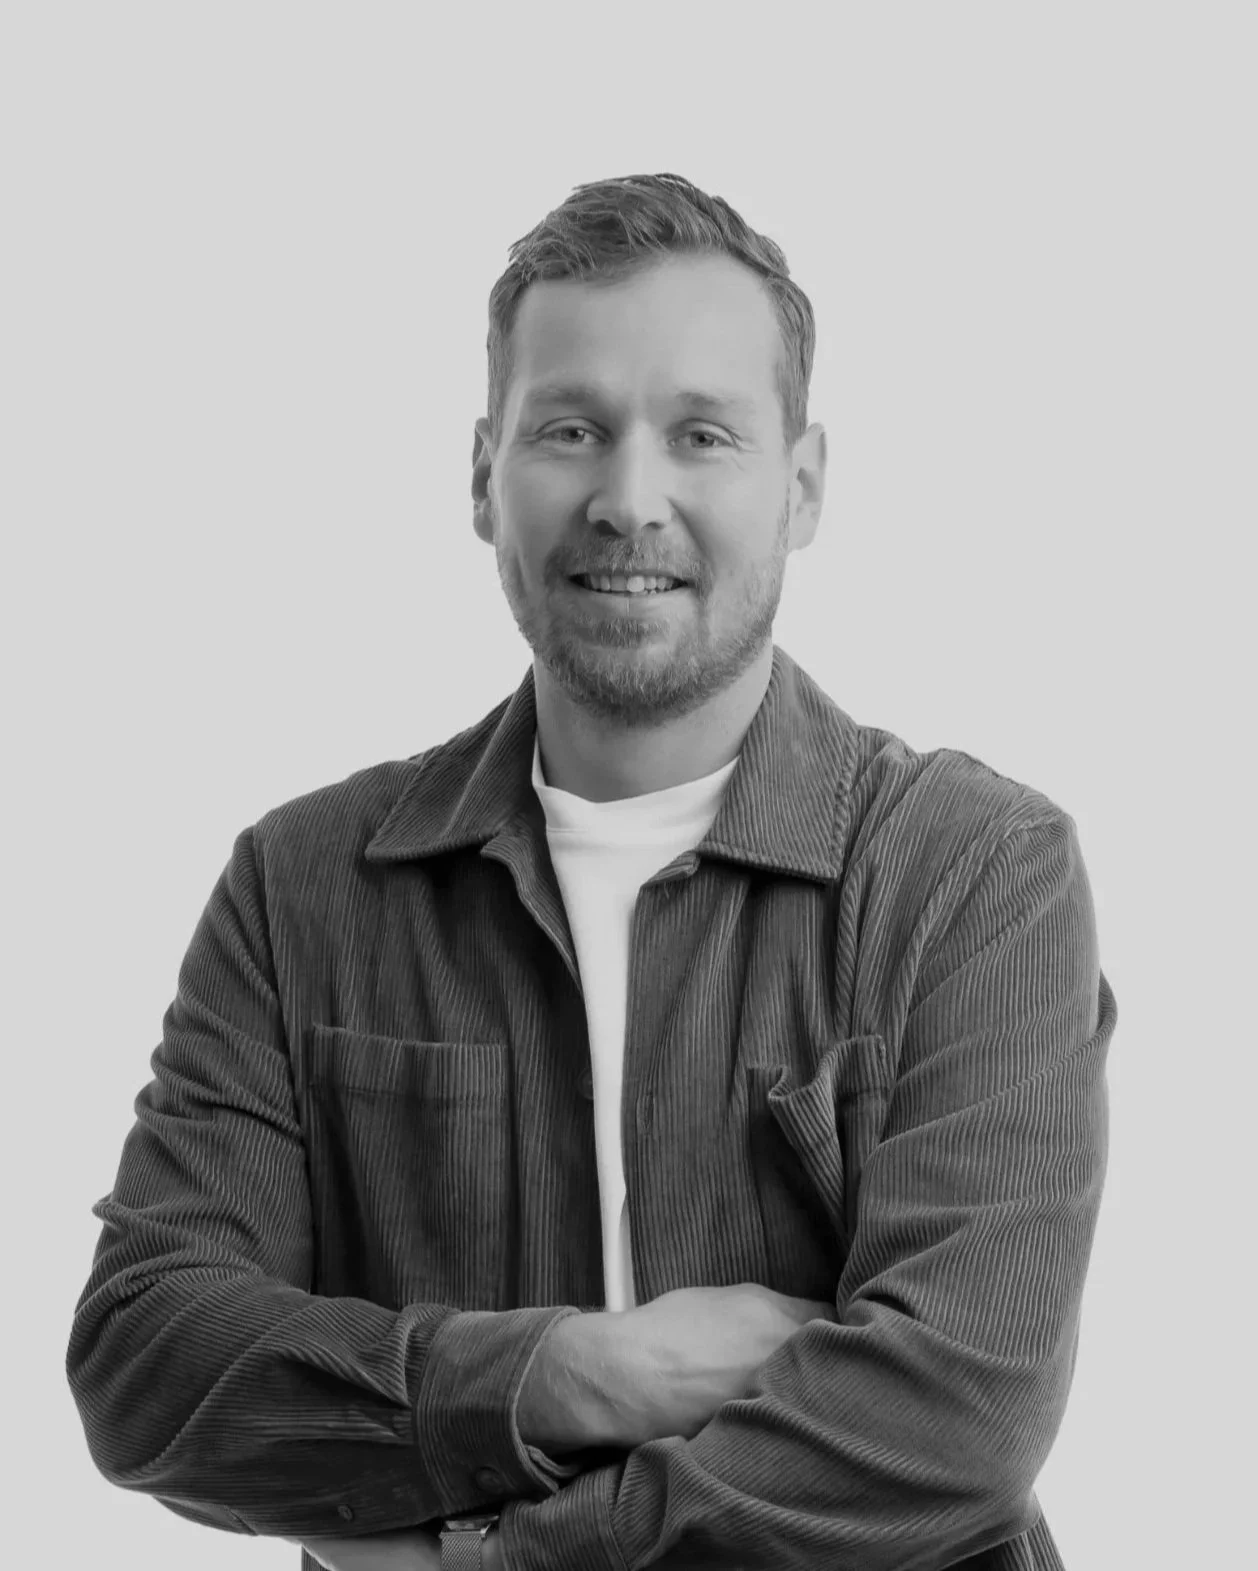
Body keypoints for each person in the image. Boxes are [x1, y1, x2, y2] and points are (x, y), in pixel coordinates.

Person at [66, 171, 1115, 1571]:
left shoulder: (972, 874)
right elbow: (148, 1361)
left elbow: (957, 1423)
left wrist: (481, 1559)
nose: (629, 500)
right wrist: (574, 1372)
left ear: (800, 487)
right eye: (571, 430)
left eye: (701, 435)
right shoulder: (302, 888)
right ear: (482, 474)